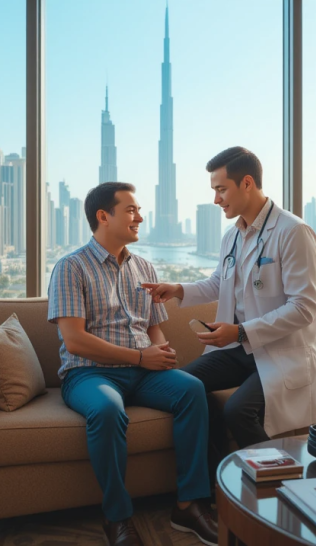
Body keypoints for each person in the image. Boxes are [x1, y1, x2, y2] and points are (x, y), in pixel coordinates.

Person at [47, 182, 218, 546]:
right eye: (131, 210)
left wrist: (163, 356)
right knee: (108, 411)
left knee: (191, 390)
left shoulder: (144, 266)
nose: (140, 217)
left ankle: (188, 504)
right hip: (89, 373)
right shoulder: (70, 267)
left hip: (143, 373)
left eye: (139, 210)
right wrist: (142, 357)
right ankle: (117, 517)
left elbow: (154, 328)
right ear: (103, 216)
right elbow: (75, 340)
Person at [142, 146, 316, 458]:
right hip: (238, 350)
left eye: (221, 189)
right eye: (215, 191)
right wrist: (177, 288)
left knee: (238, 411)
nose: (216, 200)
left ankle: (279, 481)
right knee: (184, 386)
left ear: (247, 183)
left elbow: (304, 308)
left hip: (280, 352)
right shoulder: (232, 235)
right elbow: (219, 282)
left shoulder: (293, 231)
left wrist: (241, 332)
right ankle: (218, 481)